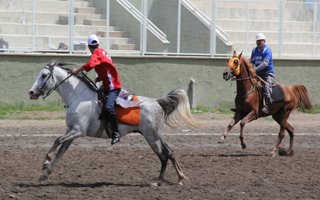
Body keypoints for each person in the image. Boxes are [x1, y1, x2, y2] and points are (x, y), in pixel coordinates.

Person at [72, 34, 122, 145]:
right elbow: (106, 67)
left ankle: (116, 133)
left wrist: (78, 70)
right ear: (98, 44)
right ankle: (103, 125)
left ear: (89, 47)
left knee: (108, 108)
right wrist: (100, 77)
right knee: (97, 101)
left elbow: (91, 64)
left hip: (113, 87)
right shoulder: (102, 51)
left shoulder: (96, 53)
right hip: (108, 84)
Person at [250, 33, 275, 114]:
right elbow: (251, 62)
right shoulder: (254, 50)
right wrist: (250, 69)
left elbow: (265, 63)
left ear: (264, 41)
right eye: (258, 41)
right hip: (257, 73)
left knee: (267, 88)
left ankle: (267, 106)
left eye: (261, 41)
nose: (259, 42)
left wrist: (255, 69)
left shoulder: (267, 51)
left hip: (267, 73)